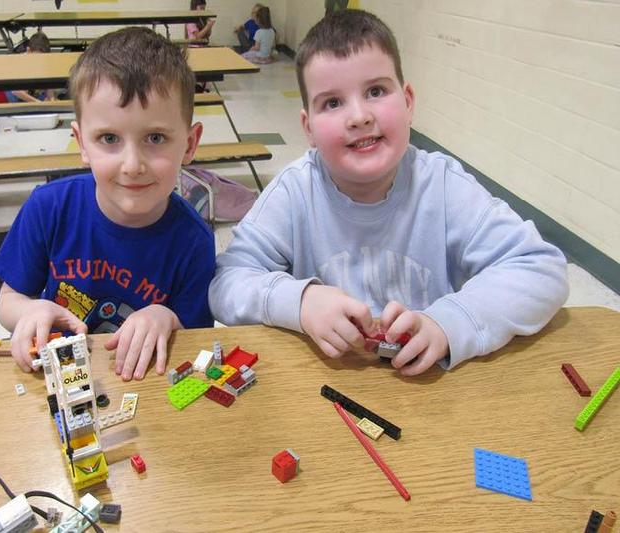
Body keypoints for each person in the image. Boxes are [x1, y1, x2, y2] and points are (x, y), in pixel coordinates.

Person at [209, 9, 568, 377]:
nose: (359, 116)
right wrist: (300, 302)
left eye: (376, 91)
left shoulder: (443, 185)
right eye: (332, 103)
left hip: (432, 387)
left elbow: (540, 269)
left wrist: (449, 323)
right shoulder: (296, 189)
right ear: (308, 128)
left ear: (408, 101)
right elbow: (227, 282)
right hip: (325, 385)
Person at [0, 27, 215, 381]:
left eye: (155, 138)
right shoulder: (48, 207)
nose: (132, 164)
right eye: (109, 138)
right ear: (81, 143)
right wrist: (30, 310)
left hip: (142, 385)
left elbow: (197, 338)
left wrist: (166, 317)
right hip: (52, 376)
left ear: (189, 144)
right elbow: (8, 300)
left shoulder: (195, 241)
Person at [6, 31, 56, 103]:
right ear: (28, 50)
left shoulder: (45, 61)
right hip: (16, 96)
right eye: (36, 59)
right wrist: (37, 102)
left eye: (42, 59)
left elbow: (49, 86)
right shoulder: (19, 62)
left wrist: (52, 100)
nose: (39, 62)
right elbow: (16, 91)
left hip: (34, 95)